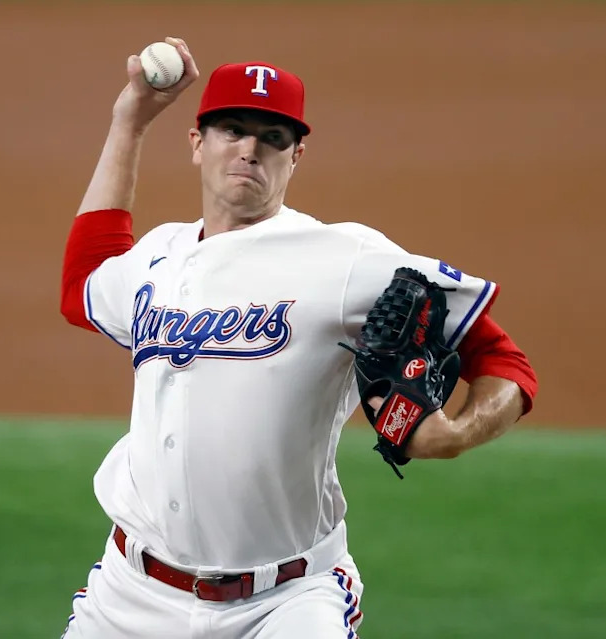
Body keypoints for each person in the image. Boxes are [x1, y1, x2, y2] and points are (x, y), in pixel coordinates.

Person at [58, 37, 538, 638]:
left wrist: (456, 433)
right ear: (196, 143)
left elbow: (504, 360)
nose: (250, 149)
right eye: (232, 129)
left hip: (285, 602)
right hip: (130, 596)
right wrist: (128, 121)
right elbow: (83, 285)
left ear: (297, 155)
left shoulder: (347, 258)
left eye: (273, 137)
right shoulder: (158, 254)